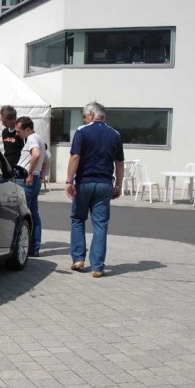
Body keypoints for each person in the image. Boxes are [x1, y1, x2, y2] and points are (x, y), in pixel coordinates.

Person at [65, 101, 124, 278]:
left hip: (85, 182)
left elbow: (75, 156)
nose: (83, 120)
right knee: (100, 225)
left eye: (84, 116)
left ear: (91, 115)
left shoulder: (82, 131)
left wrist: (69, 181)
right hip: (105, 183)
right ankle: (97, 266)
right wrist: (118, 185)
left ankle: (78, 258)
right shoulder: (115, 134)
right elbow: (119, 163)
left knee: (78, 218)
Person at [15, 116, 49, 258]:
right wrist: (40, 177)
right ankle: (34, 248)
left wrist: (29, 173)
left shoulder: (32, 139)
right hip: (34, 180)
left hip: (25, 179)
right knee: (34, 214)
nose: (17, 134)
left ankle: (20, 247)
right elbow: (47, 161)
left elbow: (36, 154)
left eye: (19, 131)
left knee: (22, 215)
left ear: (27, 129)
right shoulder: (40, 139)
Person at [0, 105, 24, 169]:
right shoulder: (4, 132)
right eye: (2, 121)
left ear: (13, 119)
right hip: (7, 165)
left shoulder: (22, 132)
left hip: (18, 166)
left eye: (5, 121)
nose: (3, 124)